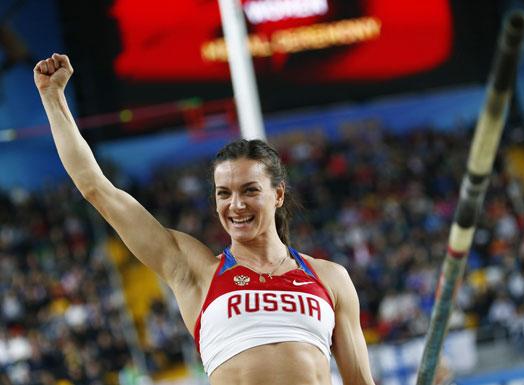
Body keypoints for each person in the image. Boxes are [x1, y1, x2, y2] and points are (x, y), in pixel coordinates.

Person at [34, 53, 376, 385]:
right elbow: (97, 189)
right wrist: (53, 99)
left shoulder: (330, 278)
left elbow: (360, 381)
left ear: (279, 195)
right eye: (224, 193)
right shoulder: (195, 271)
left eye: (250, 190)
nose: (236, 205)